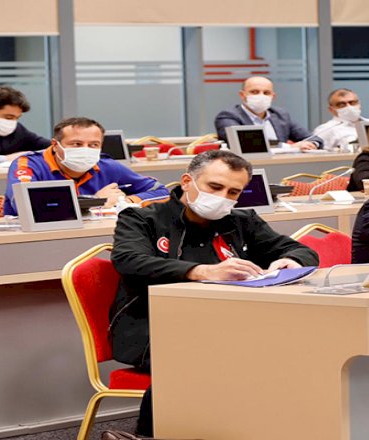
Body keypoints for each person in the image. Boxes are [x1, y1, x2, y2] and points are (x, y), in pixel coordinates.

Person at [109, 150, 319, 436]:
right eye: (215, 187)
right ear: (187, 181)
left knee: (289, 347)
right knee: (209, 354)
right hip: (152, 326)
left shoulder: (242, 221)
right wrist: (203, 271)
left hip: (231, 324)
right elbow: (129, 261)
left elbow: (301, 250)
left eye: (233, 192)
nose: (223, 197)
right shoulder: (141, 218)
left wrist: (291, 261)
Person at [3, 117, 168, 216]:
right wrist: (95, 201)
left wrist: (126, 200)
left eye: (94, 145)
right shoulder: (28, 165)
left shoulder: (108, 166)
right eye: (76, 144)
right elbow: (26, 205)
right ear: (55, 145)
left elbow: (162, 191)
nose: (85, 150)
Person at [214, 76, 323, 151]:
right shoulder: (228, 116)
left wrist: (310, 145)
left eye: (266, 93)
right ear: (242, 95)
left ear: (273, 96)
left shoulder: (281, 115)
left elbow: (314, 139)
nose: (261, 96)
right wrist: (289, 147)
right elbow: (247, 144)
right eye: (254, 92)